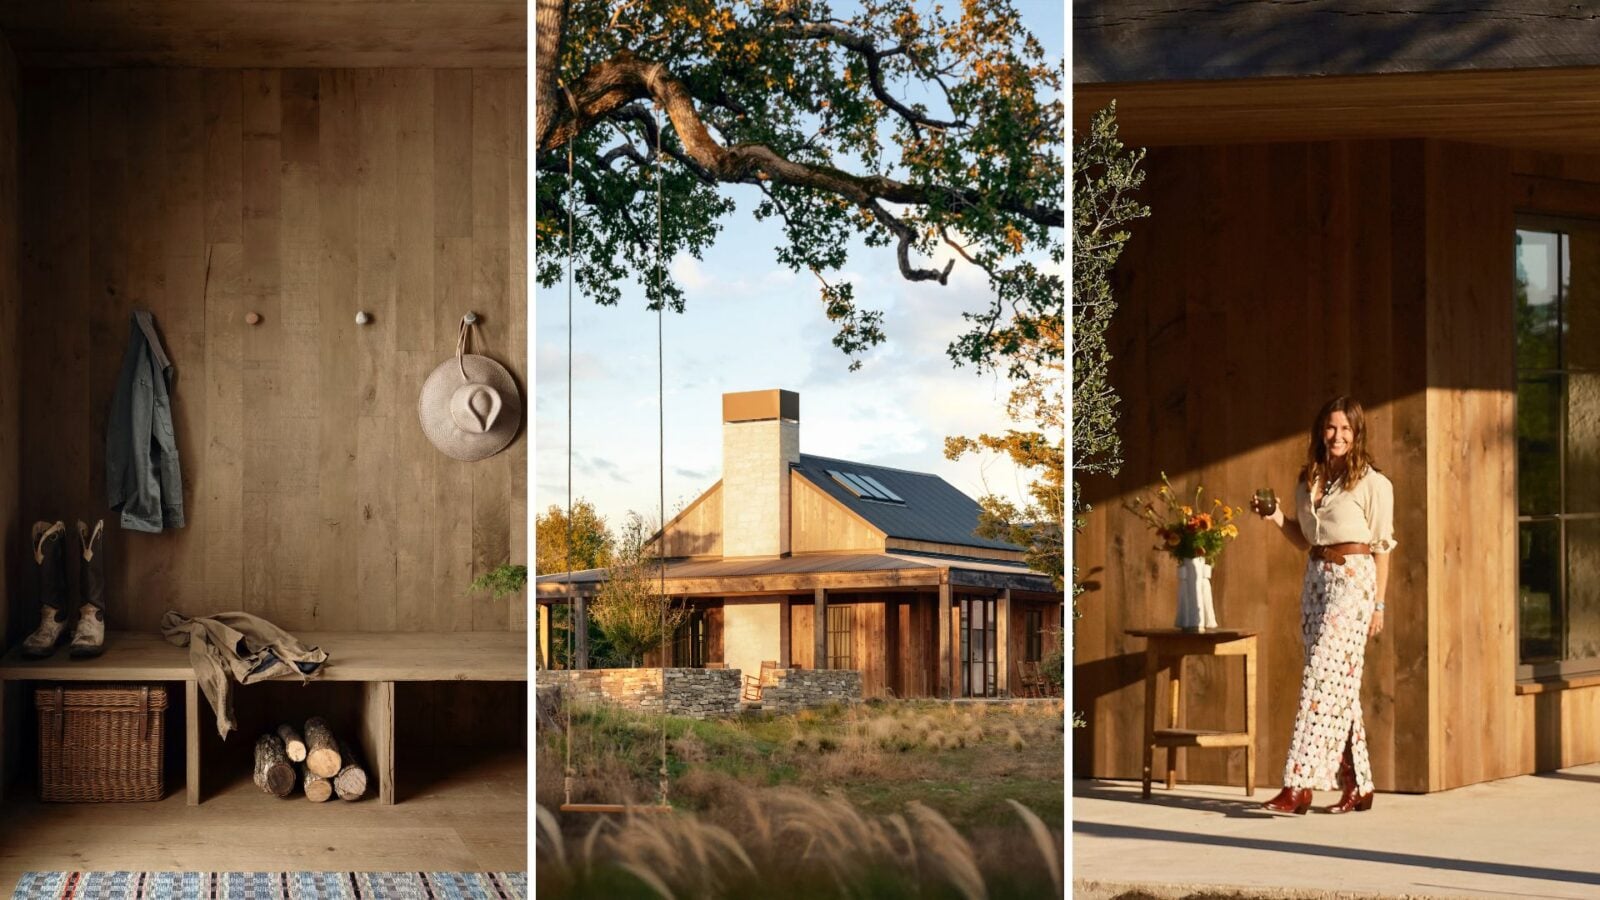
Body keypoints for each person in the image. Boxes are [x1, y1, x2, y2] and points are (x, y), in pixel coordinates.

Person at [1253, 396, 1395, 814]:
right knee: (1337, 685)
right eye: (1331, 428)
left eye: (1346, 429)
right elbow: (1307, 540)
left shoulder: (1372, 482)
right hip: (1316, 582)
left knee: (1320, 680)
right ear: (1321, 431)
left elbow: (1383, 547)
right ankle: (1359, 786)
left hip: (1355, 582)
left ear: (1357, 434)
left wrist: (1379, 606)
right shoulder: (1309, 479)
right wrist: (1278, 516)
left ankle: (1298, 786)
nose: (1337, 436)